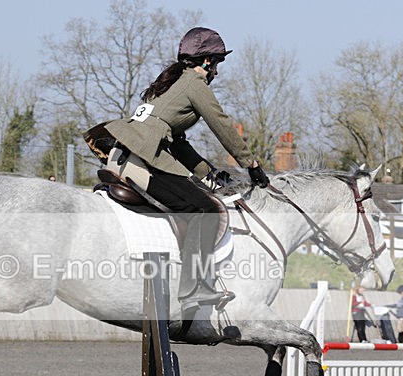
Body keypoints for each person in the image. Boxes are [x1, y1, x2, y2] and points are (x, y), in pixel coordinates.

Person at [87, 27, 269, 311]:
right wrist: (251, 163)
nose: (217, 71)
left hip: (123, 154)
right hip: (141, 159)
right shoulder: (196, 84)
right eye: (217, 63)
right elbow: (222, 126)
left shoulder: (170, 84)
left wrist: (206, 174)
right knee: (204, 209)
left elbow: (178, 145)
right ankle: (195, 287)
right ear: (207, 61)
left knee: (197, 196)